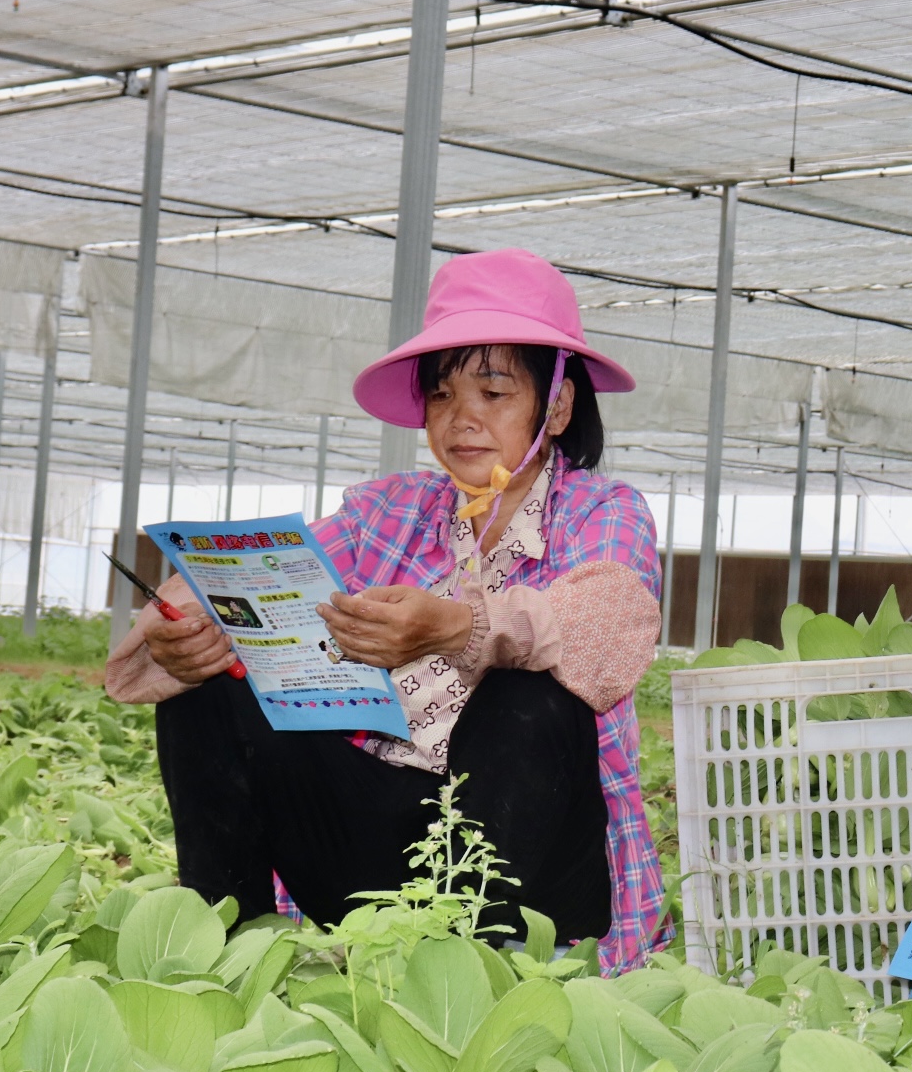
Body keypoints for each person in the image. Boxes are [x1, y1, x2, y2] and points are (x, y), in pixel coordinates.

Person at [106, 249, 668, 971]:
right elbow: (269, 574)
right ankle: (231, 949)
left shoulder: (602, 510)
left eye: (493, 393)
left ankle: (492, 967)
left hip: (525, 866)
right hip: (379, 841)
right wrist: (189, 629)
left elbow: (609, 622)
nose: (461, 419)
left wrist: (459, 625)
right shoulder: (388, 511)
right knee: (209, 690)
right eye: (441, 395)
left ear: (555, 405)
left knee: (531, 694)